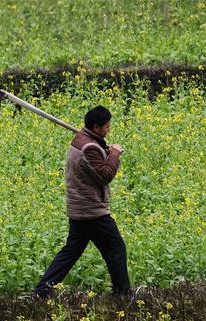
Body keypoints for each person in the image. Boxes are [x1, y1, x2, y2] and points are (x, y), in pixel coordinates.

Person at [34, 105, 133, 299]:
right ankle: (123, 294)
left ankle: (43, 290)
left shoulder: (83, 140)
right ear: (96, 127)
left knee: (71, 251)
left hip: (80, 207)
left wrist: (104, 146)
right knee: (116, 249)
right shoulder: (89, 148)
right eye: (106, 127)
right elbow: (105, 175)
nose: (108, 129)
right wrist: (113, 155)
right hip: (91, 210)